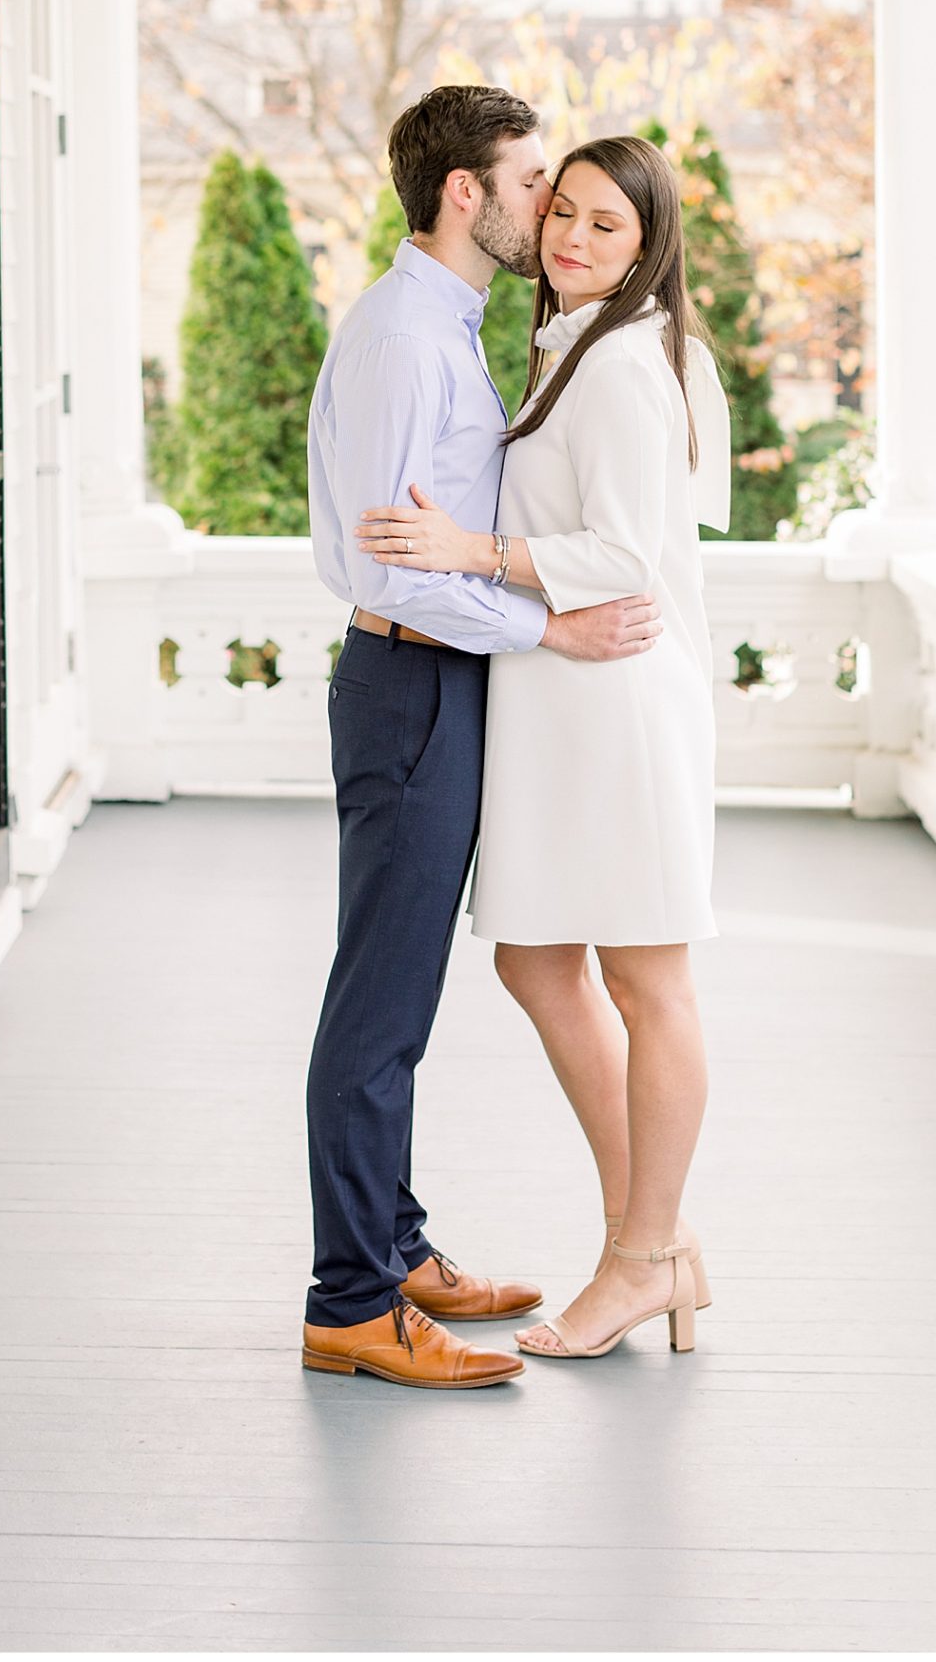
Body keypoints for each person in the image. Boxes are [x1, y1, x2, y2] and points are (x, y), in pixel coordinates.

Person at [303, 89, 665, 1392]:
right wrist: (547, 630)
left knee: (402, 997)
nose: (544, 210)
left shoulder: (448, 326)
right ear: (465, 192)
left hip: (440, 686)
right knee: (379, 1005)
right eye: (527, 184)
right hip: (410, 684)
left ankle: (389, 1247)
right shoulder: (408, 338)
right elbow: (382, 566)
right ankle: (349, 1300)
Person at [357, 133, 730, 1363]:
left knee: (648, 981)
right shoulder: (569, 348)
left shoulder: (622, 364)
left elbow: (627, 552)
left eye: (605, 226)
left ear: (647, 248)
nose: (570, 237)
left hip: (615, 697)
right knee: (534, 960)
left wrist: (476, 554)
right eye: (560, 211)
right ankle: (655, 1238)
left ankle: (638, 1257)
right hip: (562, 699)